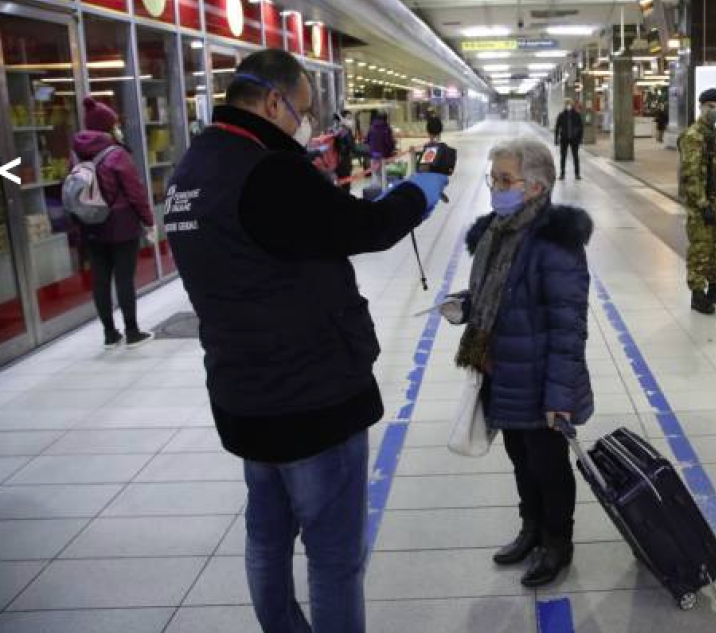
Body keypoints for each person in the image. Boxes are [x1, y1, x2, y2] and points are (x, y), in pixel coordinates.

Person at [164, 49, 449, 633]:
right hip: (313, 396)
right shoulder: (267, 168)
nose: (306, 123)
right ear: (273, 101)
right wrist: (421, 189)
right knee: (334, 558)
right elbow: (364, 229)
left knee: (266, 539)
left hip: (242, 392)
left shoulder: (191, 168)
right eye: (302, 110)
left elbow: (291, 237)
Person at [446, 136, 592, 588]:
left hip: (541, 380)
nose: (496, 187)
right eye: (494, 178)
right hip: (504, 370)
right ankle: (530, 530)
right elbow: (501, 295)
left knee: (548, 466)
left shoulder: (554, 244)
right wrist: (468, 307)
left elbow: (568, 330)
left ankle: (557, 543)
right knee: (520, 459)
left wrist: (559, 398)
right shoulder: (497, 231)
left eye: (504, 179)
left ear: (534, 187)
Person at [72, 98, 156, 348]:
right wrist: (149, 221)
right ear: (108, 126)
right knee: (123, 278)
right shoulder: (116, 153)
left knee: (100, 280)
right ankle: (132, 331)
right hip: (121, 226)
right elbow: (135, 192)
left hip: (90, 224)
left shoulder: (75, 154)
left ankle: (110, 334)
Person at [679, 88, 716, 314]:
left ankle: (715, 288)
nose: (715, 111)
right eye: (710, 107)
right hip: (701, 205)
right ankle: (697, 295)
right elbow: (691, 174)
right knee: (700, 249)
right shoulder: (694, 136)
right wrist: (702, 205)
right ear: (701, 107)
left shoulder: (715, 134)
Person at [553, 99, 584, 180]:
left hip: (574, 139)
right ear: (565, 105)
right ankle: (562, 174)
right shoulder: (561, 115)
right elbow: (557, 127)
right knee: (563, 157)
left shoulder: (577, 114)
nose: (568, 105)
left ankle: (577, 174)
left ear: (572, 104)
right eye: (567, 103)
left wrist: (580, 138)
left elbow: (581, 127)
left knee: (575, 156)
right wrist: (556, 139)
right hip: (564, 139)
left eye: (569, 103)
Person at [366, 109, 397, 186]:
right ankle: (385, 190)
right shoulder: (386, 128)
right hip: (384, 155)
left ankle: (376, 191)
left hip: (373, 155)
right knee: (385, 174)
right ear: (385, 118)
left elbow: (367, 140)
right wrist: (392, 148)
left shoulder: (371, 127)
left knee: (375, 174)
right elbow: (388, 142)